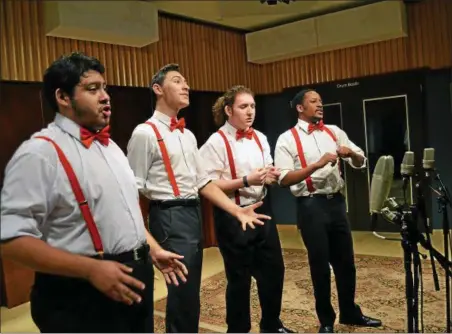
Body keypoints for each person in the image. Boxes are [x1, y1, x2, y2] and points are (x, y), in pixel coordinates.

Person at [0, 52, 188, 333]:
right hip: (78, 291)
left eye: (105, 88)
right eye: (92, 89)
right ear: (63, 97)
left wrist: (153, 250)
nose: (105, 96)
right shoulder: (40, 153)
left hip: (134, 277)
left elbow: (125, 213)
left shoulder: (111, 148)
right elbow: (10, 238)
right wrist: (90, 269)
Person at [126, 65, 271, 333]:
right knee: (182, 296)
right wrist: (146, 238)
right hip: (168, 216)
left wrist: (236, 211)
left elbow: (202, 182)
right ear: (158, 89)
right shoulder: (144, 133)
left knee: (190, 295)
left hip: (192, 215)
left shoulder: (187, 134)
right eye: (177, 81)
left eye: (186, 81)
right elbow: (130, 191)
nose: (186, 86)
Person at [274, 89, 382, 333]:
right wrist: (316, 165)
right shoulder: (287, 139)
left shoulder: (335, 132)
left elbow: (361, 160)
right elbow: (283, 178)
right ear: (300, 108)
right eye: (313, 102)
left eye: (321, 102)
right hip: (311, 206)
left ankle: (349, 312)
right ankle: (326, 320)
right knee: (320, 265)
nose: (320, 105)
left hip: (336, 204)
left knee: (346, 263)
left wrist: (351, 153)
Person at [198, 85, 294, 333]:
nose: (250, 111)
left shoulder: (260, 137)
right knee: (239, 280)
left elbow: (268, 171)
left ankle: (271, 324)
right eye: (243, 106)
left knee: (274, 272)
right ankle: (238, 329)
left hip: (262, 210)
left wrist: (270, 176)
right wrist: (245, 181)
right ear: (228, 110)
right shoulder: (215, 142)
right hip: (233, 215)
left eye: (252, 106)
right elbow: (206, 183)